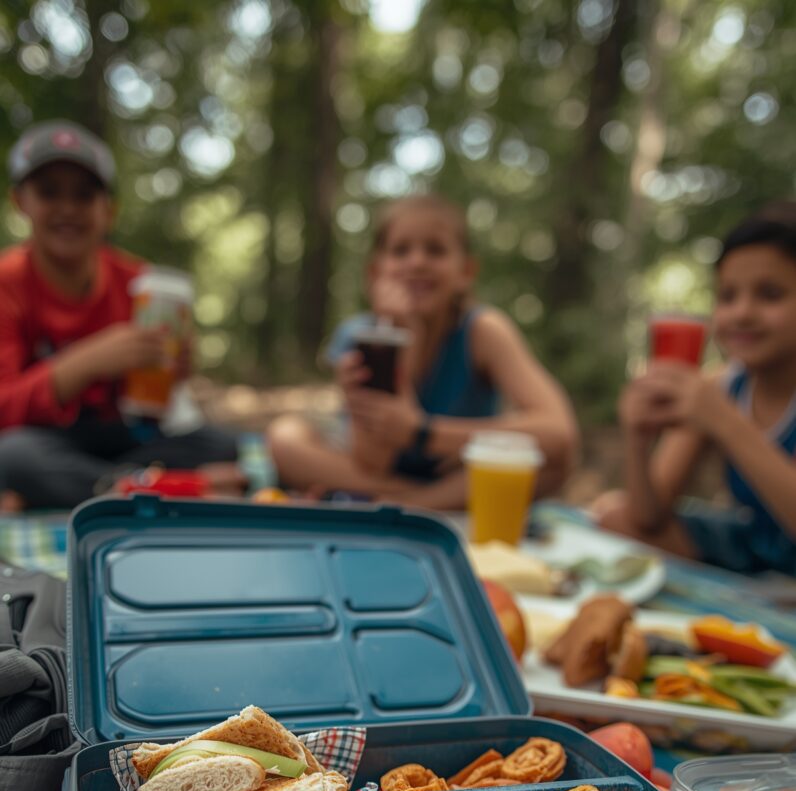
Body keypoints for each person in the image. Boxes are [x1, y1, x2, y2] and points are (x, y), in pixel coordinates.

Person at [268, 194, 578, 508]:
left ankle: (411, 503)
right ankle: (413, 499)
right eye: (400, 251)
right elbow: (373, 460)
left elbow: (558, 432)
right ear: (375, 272)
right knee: (285, 438)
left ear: (466, 272)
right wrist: (403, 339)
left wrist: (423, 433)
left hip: (455, 471)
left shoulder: (483, 331)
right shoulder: (360, 336)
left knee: (552, 464)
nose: (417, 263)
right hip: (378, 473)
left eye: (436, 250)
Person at [0, 120, 242, 510]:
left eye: (83, 195)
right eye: (49, 193)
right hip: (46, 439)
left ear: (107, 210)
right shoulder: (6, 283)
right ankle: (152, 487)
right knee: (12, 456)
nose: (67, 209)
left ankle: (100, 486)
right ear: (21, 202)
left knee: (221, 444)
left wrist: (176, 368)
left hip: (124, 438)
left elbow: (158, 403)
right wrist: (87, 362)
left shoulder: (141, 284)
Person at [596, 203, 796, 574]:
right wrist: (637, 438)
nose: (741, 313)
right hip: (757, 550)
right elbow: (648, 519)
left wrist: (725, 422)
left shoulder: (717, 403)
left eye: (769, 294)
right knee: (614, 517)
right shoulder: (723, 386)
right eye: (728, 296)